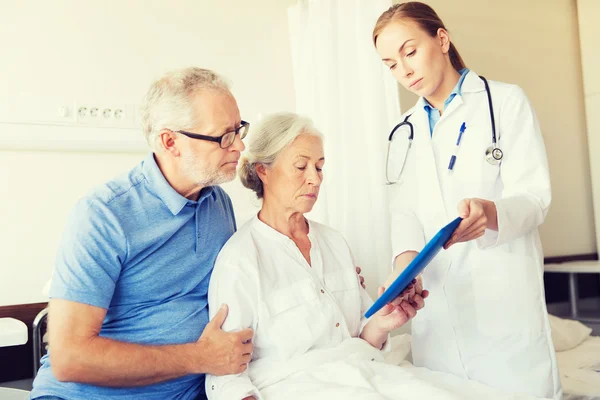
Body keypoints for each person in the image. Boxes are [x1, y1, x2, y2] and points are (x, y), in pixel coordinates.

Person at [204, 113, 540, 400]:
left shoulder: (332, 242)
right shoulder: (240, 260)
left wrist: (386, 321)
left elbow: (362, 335)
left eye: (320, 167)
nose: (315, 179)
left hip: (364, 373)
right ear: (264, 170)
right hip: (297, 387)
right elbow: (226, 378)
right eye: (301, 166)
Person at [372, 3, 560, 399]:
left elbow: (534, 197)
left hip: (502, 297)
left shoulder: (505, 102)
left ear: (441, 39)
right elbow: (403, 209)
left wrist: (491, 213)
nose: (403, 71)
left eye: (410, 51)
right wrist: (405, 264)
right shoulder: (402, 131)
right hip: (436, 308)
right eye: (390, 64)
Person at [31, 67, 254, 400]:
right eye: (224, 136)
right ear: (169, 142)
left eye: (239, 130)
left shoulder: (217, 202)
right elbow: (69, 358)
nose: (238, 146)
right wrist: (201, 356)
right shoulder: (104, 215)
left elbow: (237, 280)